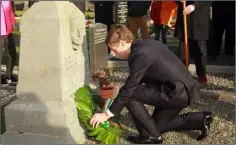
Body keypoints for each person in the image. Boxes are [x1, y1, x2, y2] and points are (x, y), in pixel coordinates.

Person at [89, 25, 213, 144]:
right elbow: (140, 79)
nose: (115, 54)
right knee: (156, 126)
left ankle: (150, 137)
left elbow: (129, 89)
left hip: (175, 92)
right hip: (182, 90)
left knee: (130, 95)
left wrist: (106, 114)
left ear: (122, 43)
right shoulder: (146, 44)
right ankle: (200, 119)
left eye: (115, 50)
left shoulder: (139, 54)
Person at [175, 1, 212, 84]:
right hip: (184, 17)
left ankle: (201, 73)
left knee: (200, 49)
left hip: (199, 17)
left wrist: (195, 5)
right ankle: (183, 73)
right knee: (183, 49)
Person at [1, 0, 17, 84]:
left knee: (12, 54)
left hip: (8, 32)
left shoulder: (6, 1)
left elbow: (10, 11)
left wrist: (13, 21)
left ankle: (8, 76)